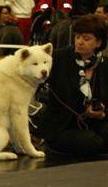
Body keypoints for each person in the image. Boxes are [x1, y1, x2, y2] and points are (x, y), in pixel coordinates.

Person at [40, 15, 108, 156]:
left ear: (99, 42)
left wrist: (102, 112)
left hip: (93, 123)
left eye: (86, 38)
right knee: (93, 142)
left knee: (98, 139)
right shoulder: (58, 59)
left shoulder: (104, 65)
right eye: (77, 37)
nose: (79, 42)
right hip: (61, 125)